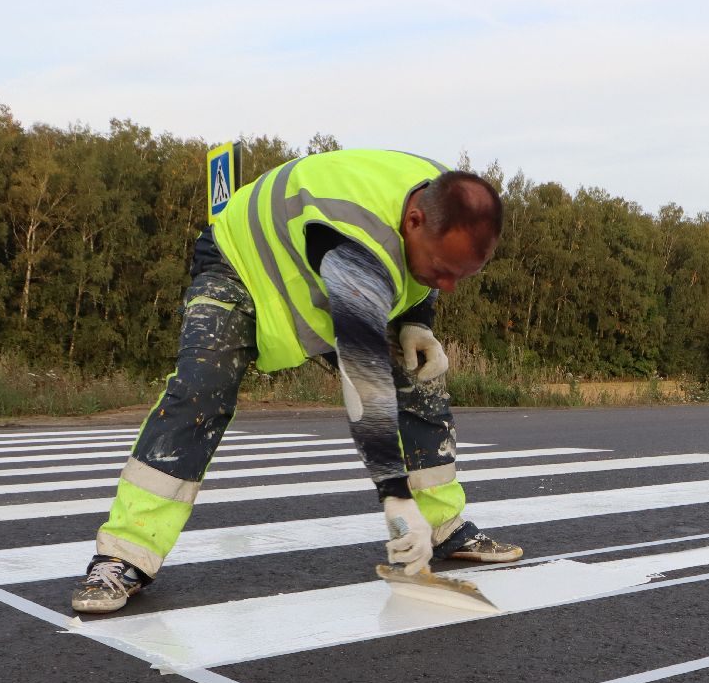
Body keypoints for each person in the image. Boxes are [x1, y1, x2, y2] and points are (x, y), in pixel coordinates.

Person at [71, 149, 521, 614]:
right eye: (443, 271)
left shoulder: (436, 192)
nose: (448, 286)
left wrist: (416, 321)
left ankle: (443, 527)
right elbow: (365, 388)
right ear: (413, 220)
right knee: (200, 392)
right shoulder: (357, 242)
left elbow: (419, 281)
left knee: (419, 379)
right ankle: (123, 555)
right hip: (241, 266)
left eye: (460, 276)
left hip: (326, 277)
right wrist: (394, 497)